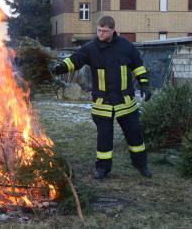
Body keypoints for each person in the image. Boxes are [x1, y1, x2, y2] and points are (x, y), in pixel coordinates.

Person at [52, 16, 152, 179]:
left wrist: (145, 84)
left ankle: (141, 165)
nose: (100, 34)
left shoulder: (126, 46)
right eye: (98, 30)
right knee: (104, 139)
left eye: (104, 31)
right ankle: (102, 169)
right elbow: (75, 60)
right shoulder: (90, 48)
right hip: (102, 102)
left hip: (125, 101)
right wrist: (59, 68)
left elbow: (138, 66)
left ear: (113, 30)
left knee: (135, 135)